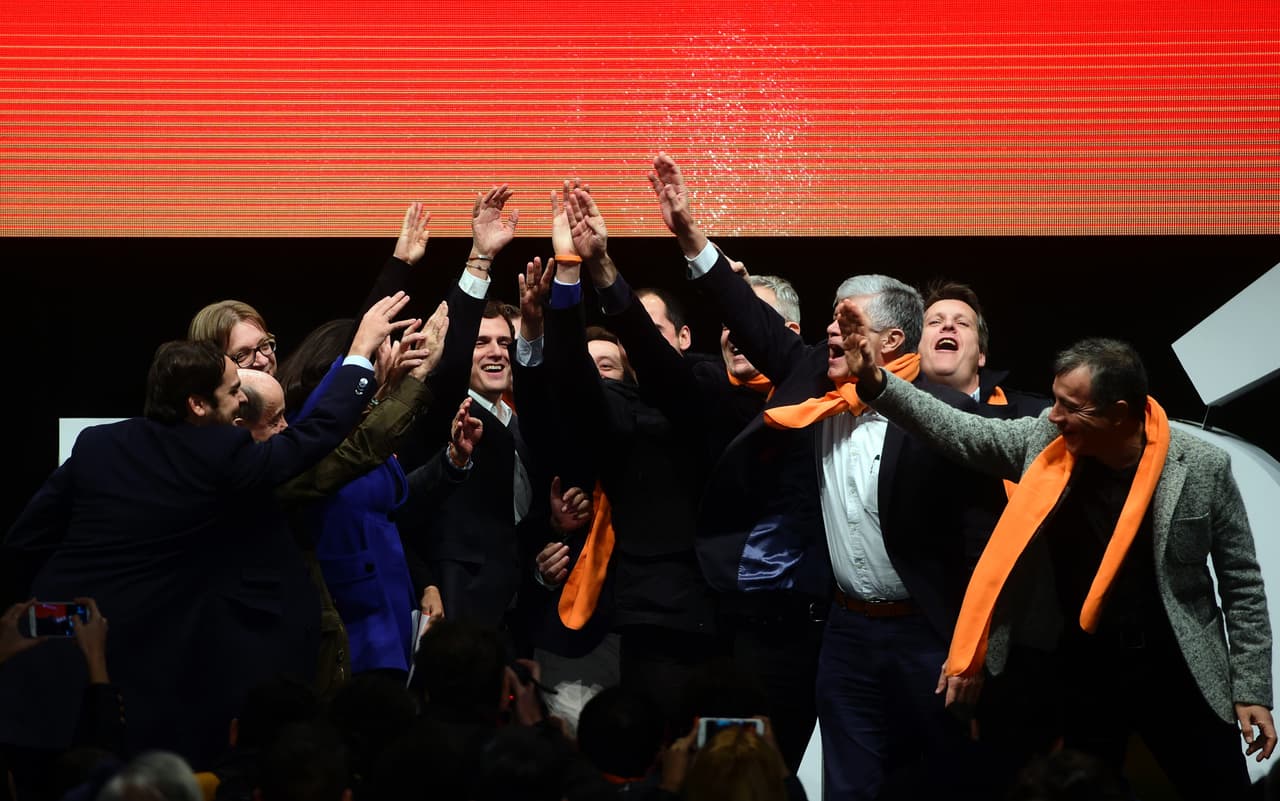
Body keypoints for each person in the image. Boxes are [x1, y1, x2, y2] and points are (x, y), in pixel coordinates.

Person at [649, 151, 997, 799]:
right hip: (848, 634)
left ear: (893, 340)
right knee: (848, 786)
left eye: (848, 323)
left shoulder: (948, 416)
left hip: (929, 634)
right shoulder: (815, 374)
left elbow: (983, 542)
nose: (831, 334)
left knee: (943, 782)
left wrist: (972, 647)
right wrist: (690, 234)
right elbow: (751, 318)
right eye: (833, 319)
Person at [836, 309, 1277, 798]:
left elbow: (1242, 585)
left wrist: (1252, 688)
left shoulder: (1201, 466)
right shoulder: (1045, 442)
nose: (1055, 415)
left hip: (1179, 669)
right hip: (1084, 673)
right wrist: (876, 381)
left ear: (1118, 412)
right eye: (1055, 400)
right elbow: (956, 429)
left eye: (1073, 406)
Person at [0, 293, 411, 768]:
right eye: (234, 390)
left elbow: (25, 541)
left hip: (55, 647)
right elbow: (317, 434)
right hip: (143, 674)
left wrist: (40, 609)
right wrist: (360, 355)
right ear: (197, 404)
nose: (244, 400)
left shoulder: (98, 442)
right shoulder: (222, 458)